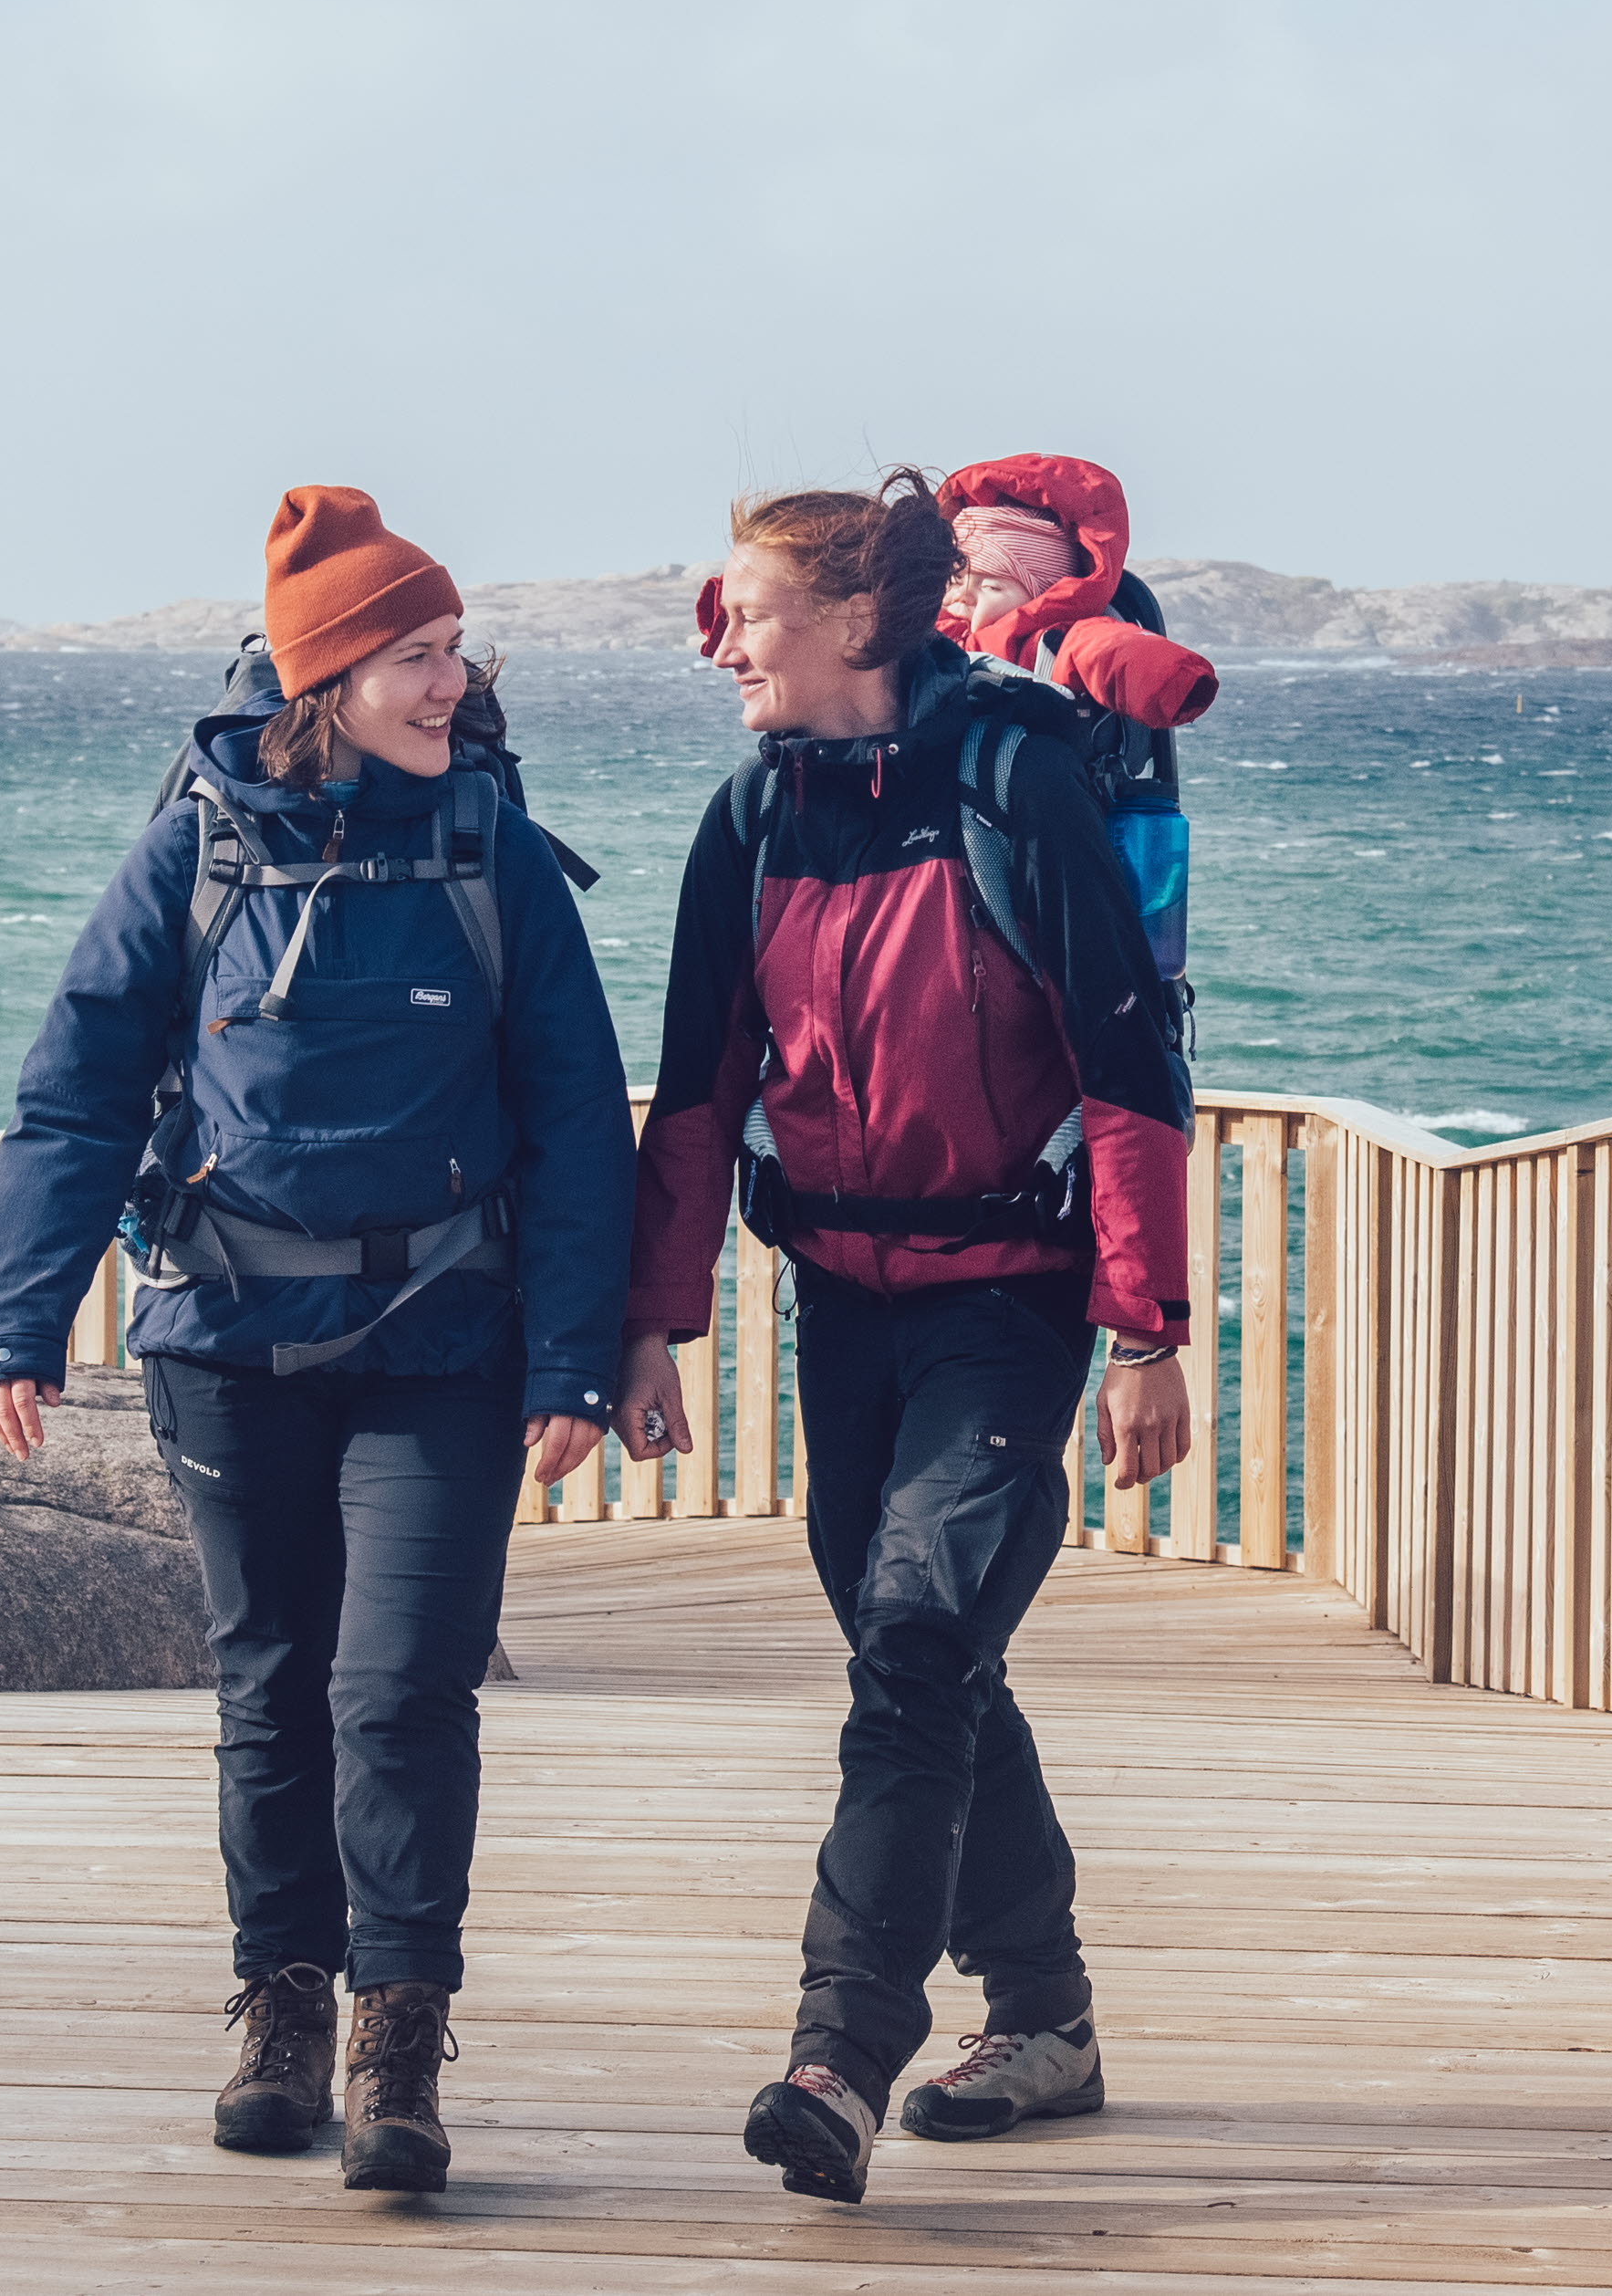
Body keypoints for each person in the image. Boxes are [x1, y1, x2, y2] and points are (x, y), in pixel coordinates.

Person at [0, 486, 671, 2196]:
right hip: (221, 1330)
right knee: (270, 1686)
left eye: (451, 652)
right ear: (327, 676)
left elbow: (579, 1112)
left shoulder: (486, 844)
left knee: (401, 1689)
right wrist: (22, 1316)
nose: (452, 683)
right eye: (416, 655)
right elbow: (75, 1091)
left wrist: (577, 1351)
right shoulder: (198, 845)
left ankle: (396, 2041)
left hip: (442, 1339)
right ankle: (278, 2010)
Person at [624, 470, 1196, 2205]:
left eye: (749, 604)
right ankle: (1047, 2016)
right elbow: (703, 1086)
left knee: (916, 1636)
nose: (720, 633)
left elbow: (1123, 1065)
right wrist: (652, 1322)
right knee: (926, 1655)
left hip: (1005, 1306)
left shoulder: (1015, 783)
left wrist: (1148, 1331)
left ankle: (837, 2050)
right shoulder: (752, 812)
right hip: (839, 1311)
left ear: (859, 622)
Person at [934, 450, 1221, 732]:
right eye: (956, 581)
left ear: (1041, 595)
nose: (964, 597)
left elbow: (1109, 650)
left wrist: (1169, 682)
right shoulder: (924, 628)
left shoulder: (1056, 642)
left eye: (991, 586)